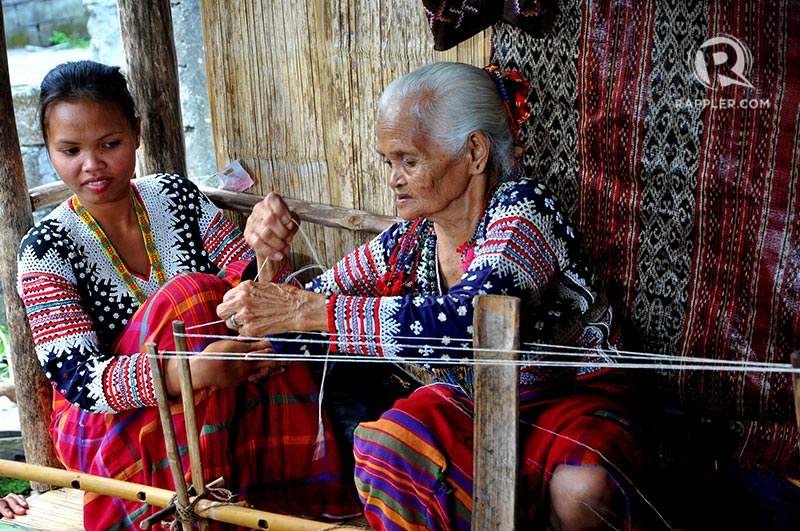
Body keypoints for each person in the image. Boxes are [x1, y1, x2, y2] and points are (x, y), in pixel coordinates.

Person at [216, 62, 644, 530]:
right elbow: (304, 322)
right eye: (388, 162)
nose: (394, 179)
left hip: (567, 398)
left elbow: (467, 321)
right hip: (470, 403)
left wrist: (308, 311)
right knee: (390, 445)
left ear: (475, 152)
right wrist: (269, 263)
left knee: (580, 490)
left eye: (409, 160)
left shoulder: (523, 212)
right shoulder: (407, 243)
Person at [17, 61, 359, 531]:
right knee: (191, 295)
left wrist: (268, 254)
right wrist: (193, 371)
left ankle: (264, 506)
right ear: (51, 150)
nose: (92, 165)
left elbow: (250, 285)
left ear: (136, 134)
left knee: (264, 330)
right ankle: (191, 515)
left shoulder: (175, 196)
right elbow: (80, 381)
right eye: (70, 150)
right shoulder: (46, 248)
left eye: (110, 144)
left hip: (221, 388)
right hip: (106, 425)